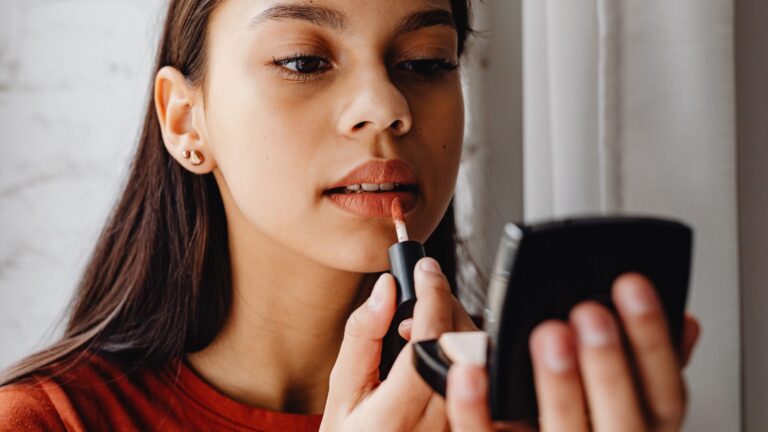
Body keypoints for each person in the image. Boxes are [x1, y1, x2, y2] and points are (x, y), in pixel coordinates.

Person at [0, 0, 700, 430]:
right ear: (187, 121)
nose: (387, 107)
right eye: (304, 61)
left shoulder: (540, 403)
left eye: (427, 62)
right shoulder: (46, 424)